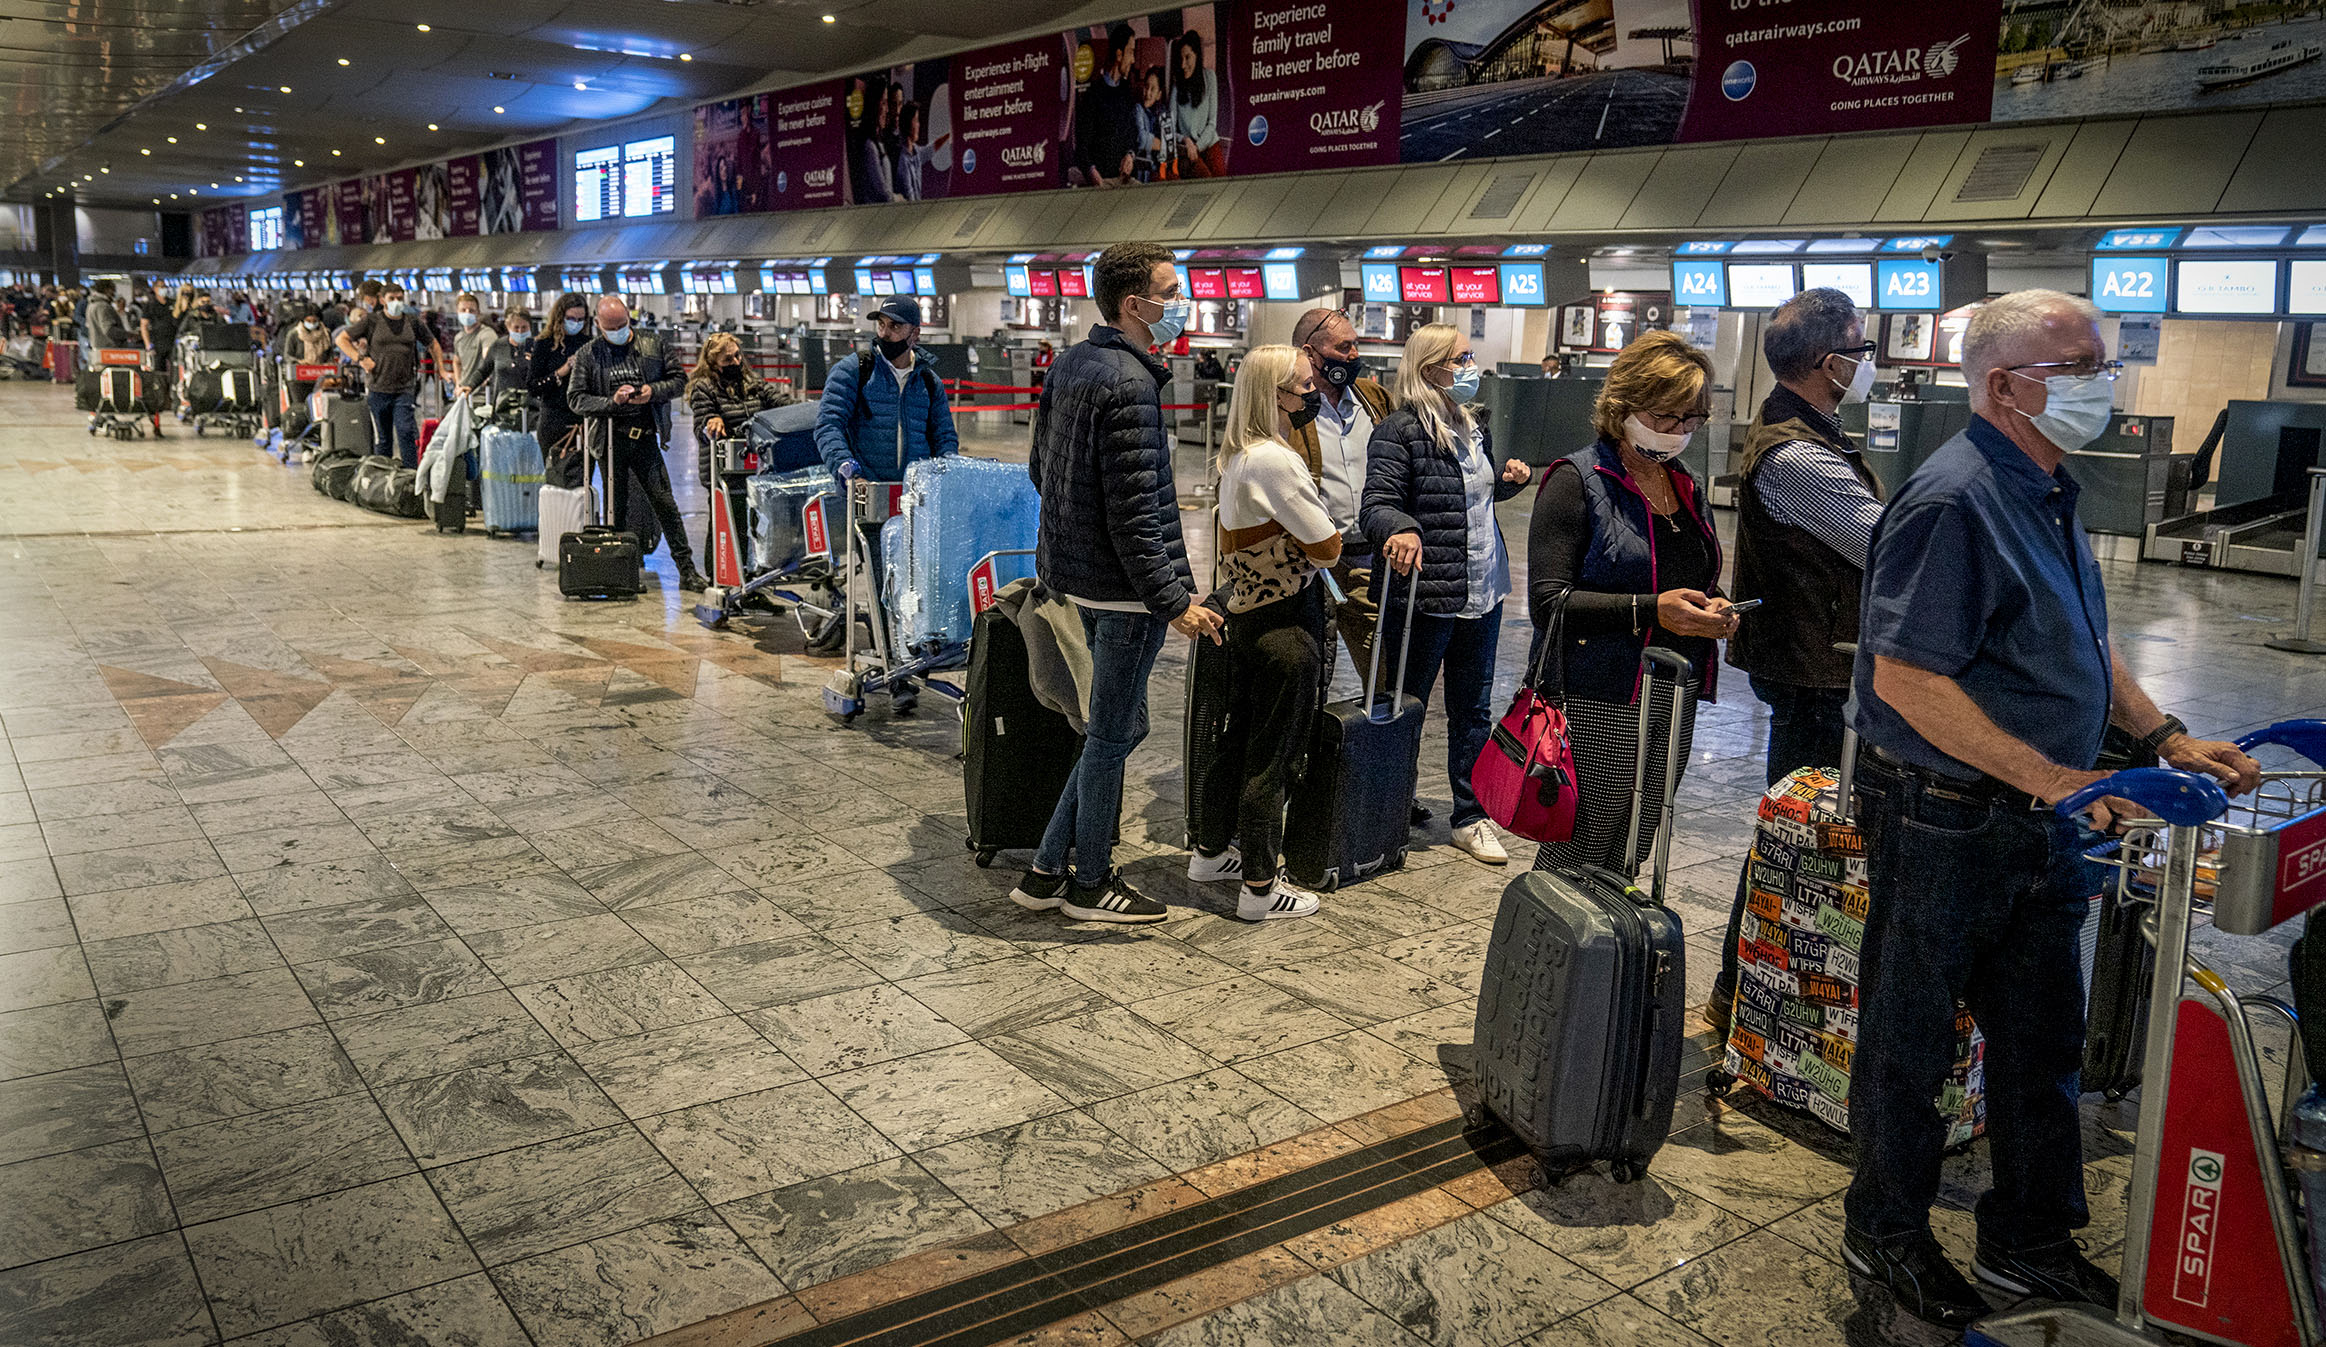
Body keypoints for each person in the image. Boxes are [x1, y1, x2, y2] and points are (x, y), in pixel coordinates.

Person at [1839, 289, 2260, 1327]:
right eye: (2078, 368)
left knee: (2042, 1038)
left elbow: (2082, 638)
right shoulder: (1953, 501)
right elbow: (1906, 679)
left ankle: (2028, 1240)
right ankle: (1884, 1232)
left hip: (2038, 816)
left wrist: (2160, 737)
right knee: (1911, 1039)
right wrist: (2059, 780)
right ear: (2003, 385)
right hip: (1944, 816)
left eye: (2100, 362)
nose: (2102, 383)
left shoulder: (2046, 486)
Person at [1016, 240, 1223, 923]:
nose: (1181, 302)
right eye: (1172, 291)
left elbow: (1041, 468)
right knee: (1110, 736)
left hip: (1079, 579)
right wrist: (1173, 602)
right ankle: (1091, 883)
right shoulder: (1131, 385)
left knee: (1118, 727)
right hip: (1125, 593)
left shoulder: (1072, 363)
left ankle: (1047, 867)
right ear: (1136, 304)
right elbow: (1136, 515)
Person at [1704, 288, 1885, 1036]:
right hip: (1816, 672)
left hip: (1819, 664)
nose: (1869, 363)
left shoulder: (1810, 433)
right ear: (1827, 362)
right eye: (1861, 350)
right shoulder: (1798, 454)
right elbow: (1885, 548)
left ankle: (1752, 991)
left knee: (1799, 836)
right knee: (1793, 838)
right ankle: (1739, 990)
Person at [1525, 332, 1732, 880]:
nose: (1678, 430)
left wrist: (1715, 607)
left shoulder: (1685, 484)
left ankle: (1610, 929)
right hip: (1601, 691)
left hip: (1674, 687)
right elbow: (1549, 602)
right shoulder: (1576, 480)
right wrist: (1650, 609)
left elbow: (1691, 576)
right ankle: (1556, 932)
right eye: (1665, 416)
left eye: (1691, 418)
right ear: (1623, 405)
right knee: (1582, 844)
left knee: (1634, 840)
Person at [1360, 322, 1533, 865]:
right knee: (1404, 706)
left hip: (1482, 589)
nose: (1470, 366)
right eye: (1461, 358)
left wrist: (1507, 482)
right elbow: (1376, 506)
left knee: (1473, 710)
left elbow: (1465, 500)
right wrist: (1400, 527)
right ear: (1431, 368)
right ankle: (1388, 809)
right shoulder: (1399, 432)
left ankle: (1470, 816)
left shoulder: (1473, 426)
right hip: (1425, 596)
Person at [1187, 346, 1339, 920]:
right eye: (1303, 386)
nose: (1313, 394)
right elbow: (1327, 545)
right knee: (1273, 757)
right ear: (1275, 394)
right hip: (1286, 624)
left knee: (1235, 743)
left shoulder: (1238, 458)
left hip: (1246, 618)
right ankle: (1259, 887)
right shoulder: (1276, 460)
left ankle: (1209, 853)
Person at [565, 296, 704, 590]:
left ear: (629, 319)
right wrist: (611, 402)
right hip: (610, 440)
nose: (618, 331)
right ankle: (622, 573)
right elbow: (576, 398)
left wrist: (652, 391)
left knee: (664, 502)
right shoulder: (589, 354)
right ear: (598, 325)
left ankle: (687, 570)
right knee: (616, 507)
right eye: (611, 327)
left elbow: (679, 380)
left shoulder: (653, 344)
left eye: (622, 325)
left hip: (644, 438)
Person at [1288, 307, 1395, 679]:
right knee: (1310, 671)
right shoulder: (1289, 404)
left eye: (1355, 345)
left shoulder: (1374, 399)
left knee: (1384, 672)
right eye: (1343, 347)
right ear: (1310, 353)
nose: (1353, 355)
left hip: (1366, 557)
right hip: (1308, 563)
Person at [814, 296, 958, 483]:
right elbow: (828, 426)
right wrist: (850, 473)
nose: (884, 334)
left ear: (915, 333)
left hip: (914, 492)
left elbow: (944, 437)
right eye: (881, 324)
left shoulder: (928, 382)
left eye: (895, 326)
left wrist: (944, 475)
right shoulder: (854, 371)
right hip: (863, 489)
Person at [687, 332, 794, 558]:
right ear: (713, 363)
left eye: (737, 356)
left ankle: (751, 571)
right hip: (722, 470)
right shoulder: (703, 388)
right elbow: (702, 426)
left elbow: (780, 403)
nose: (736, 362)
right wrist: (711, 422)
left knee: (755, 525)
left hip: (755, 469)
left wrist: (803, 410)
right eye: (728, 359)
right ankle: (719, 572)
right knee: (726, 525)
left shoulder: (752, 383)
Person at [335, 282, 446, 467]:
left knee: (405, 431)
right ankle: (382, 472)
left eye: (400, 298)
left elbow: (432, 344)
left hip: (404, 388)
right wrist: (360, 359)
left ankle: (411, 473)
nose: (396, 302)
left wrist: (441, 368)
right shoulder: (372, 321)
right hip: (378, 387)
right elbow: (341, 339)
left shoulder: (412, 322)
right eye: (392, 298)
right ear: (382, 300)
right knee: (384, 438)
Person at [530, 291, 595, 485]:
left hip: (582, 421)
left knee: (582, 481)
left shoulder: (589, 344)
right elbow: (533, 386)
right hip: (553, 421)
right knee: (556, 479)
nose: (576, 323)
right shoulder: (544, 344)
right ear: (560, 317)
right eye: (571, 319)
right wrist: (561, 372)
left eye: (581, 319)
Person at [1073, 25, 1142, 188]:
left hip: (1125, 179)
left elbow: (1133, 134)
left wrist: (1130, 155)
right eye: (1131, 52)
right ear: (1119, 54)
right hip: (1102, 181)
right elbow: (1081, 146)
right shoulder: (1093, 95)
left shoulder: (1126, 92)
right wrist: (1092, 172)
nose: (1133, 60)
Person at [1172, 32, 1224, 178]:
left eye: (1187, 57)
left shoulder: (1210, 77)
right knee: (1206, 179)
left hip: (1209, 143)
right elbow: (1170, 129)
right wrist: (1185, 140)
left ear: (1197, 55)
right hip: (1187, 150)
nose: (1183, 65)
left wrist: (1198, 146)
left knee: (1222, 180)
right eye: (1181, 58)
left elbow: (1212, 123)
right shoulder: (1177, 86)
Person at [1134, 67, 1168, 182]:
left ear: (1159, 95)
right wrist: (1162, 145)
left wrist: (1183, 139)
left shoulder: (1162, 111)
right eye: (1146, 86)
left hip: (1160, 168)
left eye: (1152, 89)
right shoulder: (1138, 109)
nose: (1147, 93)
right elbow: (1141, 137)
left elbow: (1170, 138)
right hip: (1143, 171)